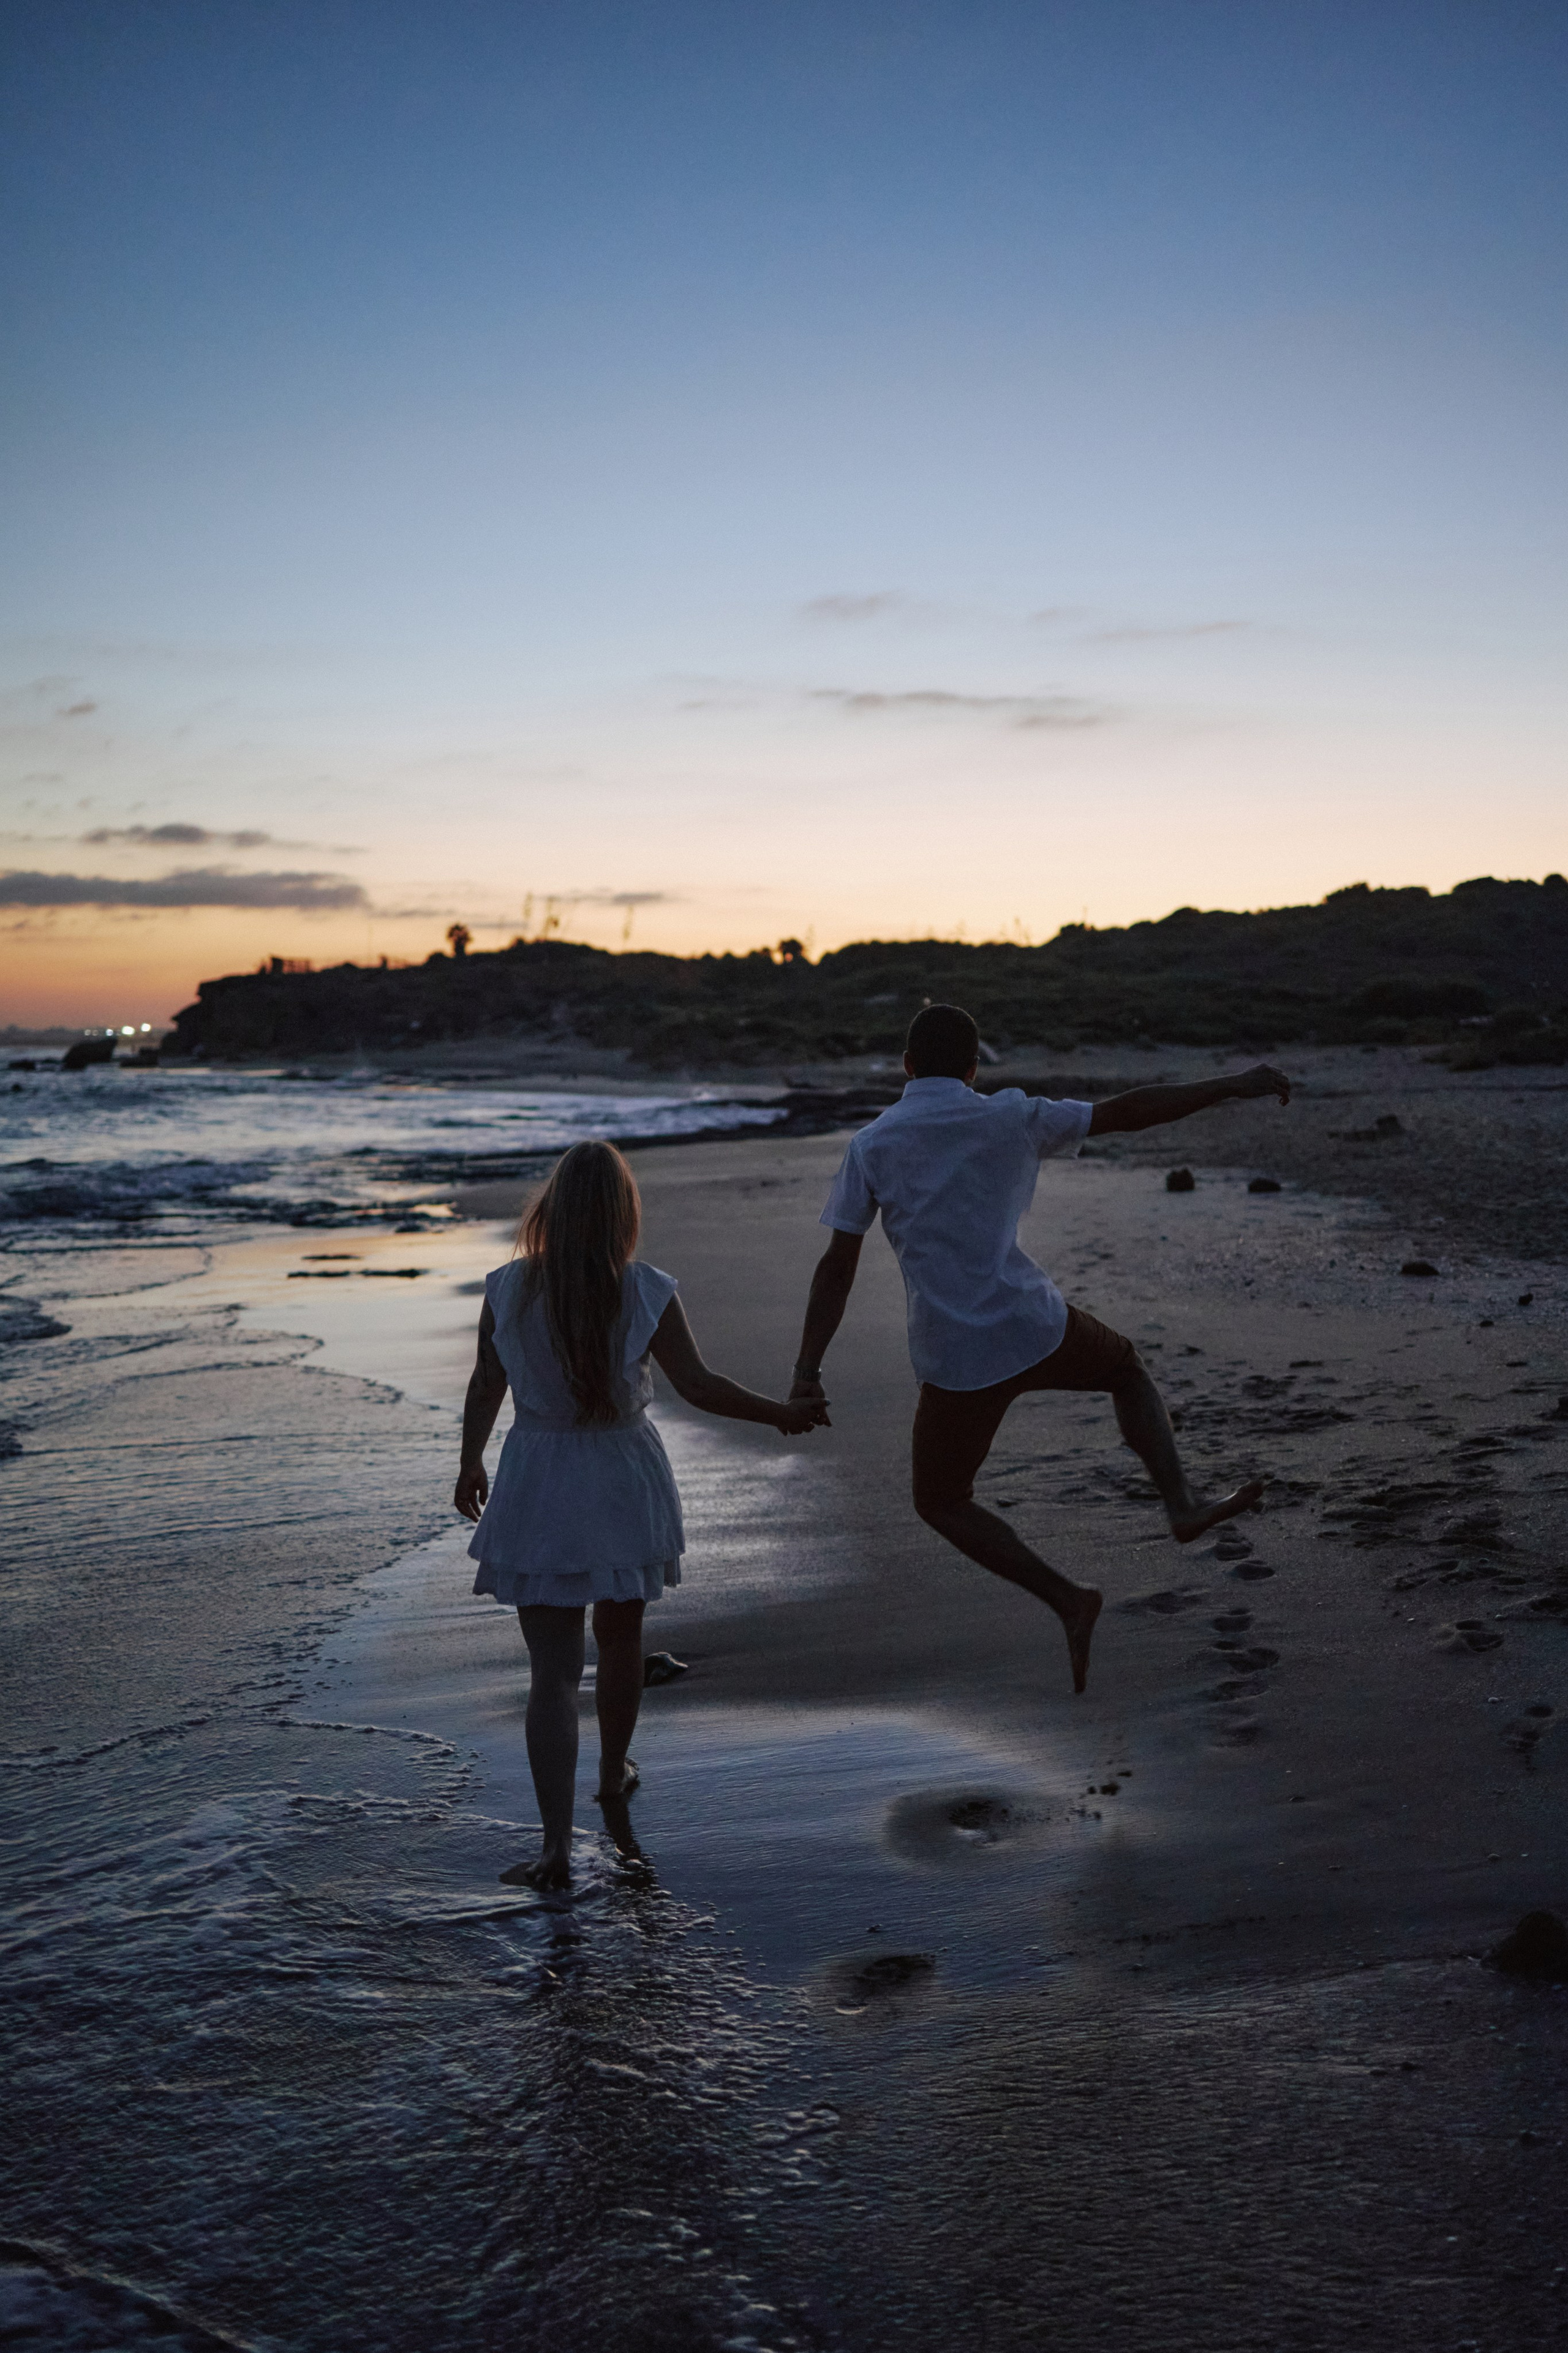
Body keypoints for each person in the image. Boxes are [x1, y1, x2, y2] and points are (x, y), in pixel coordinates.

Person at [788, 1005, 1291, 1696]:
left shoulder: (872, 1145)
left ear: (906, 1065)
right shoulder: (1011, 1116)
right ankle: (1179, 1503)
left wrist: (806, 1371)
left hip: (953, 1357)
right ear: (974, 1068)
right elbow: (1126, 1112)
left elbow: (837, 1267)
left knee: (940, 1500)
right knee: (1123, 1368)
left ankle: (1065, 1596)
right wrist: (1228, 1084)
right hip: (1033, 1327)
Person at [454, 1139, 827, 1889]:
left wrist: (469, 1462)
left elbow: (484, 1384)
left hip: (540, 1475)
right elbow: (699, 1385)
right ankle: (610, 1771)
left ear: (551, 1208)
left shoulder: (506, 1287)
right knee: (621, 1641)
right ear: (623, 1212)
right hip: (621, 1472)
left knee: (552, 1676)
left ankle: (555, 1849)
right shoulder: (645, 1287)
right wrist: (780, 1416)